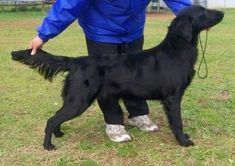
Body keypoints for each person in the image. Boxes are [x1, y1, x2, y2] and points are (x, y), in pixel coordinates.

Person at [29, 0, 192, 142]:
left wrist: (192, 18)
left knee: (136, 76)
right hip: (101, 29)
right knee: (105, 80)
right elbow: (69, 3)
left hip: (133, 28)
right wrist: (43, 34)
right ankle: (114, 122)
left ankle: (138, 113)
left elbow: (177, 0)